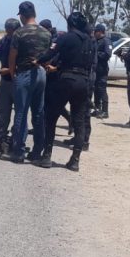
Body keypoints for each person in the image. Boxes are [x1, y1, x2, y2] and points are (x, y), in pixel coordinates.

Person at [38, 11, 96, 171]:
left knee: (51, 118)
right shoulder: (90, 41)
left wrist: (37, 60)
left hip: (65, 80)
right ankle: (75, 160)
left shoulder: (66, 37)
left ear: (70, 24)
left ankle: (47, 156)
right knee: (79, 122)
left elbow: (51, 53)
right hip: (83, 82)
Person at [8, 1, 52, 163]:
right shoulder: (46, 33)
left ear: (22, 15)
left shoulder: (19, 33)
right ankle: (37, 151)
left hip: (24, 73)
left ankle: (19, 151)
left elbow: (12, 56)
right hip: (41, 74)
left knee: (21, 112)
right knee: (38, 113)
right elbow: (48, 56)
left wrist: (12, 73)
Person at [0, 18, 21, 153]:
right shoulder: (4, 40)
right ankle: (2, 138)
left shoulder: (21, 42)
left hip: (18, 81)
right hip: (5, 81)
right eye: (7, 30)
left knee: (19, 114)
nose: (8, 33)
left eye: (10, 31)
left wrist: (10, 70)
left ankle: (16, 141)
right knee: (2, 111)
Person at [92, 23, 113, 120]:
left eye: (96, 31)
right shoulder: (96, 40)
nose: (94, 33)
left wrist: (96, 54)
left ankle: (105, 111)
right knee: (96, 90)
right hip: (95, 69)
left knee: (102, 90)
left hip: (102, 69)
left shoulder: (106, 41)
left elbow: (107, 54)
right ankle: (97, 109)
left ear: (100, 32)